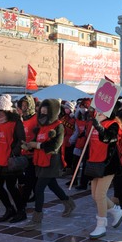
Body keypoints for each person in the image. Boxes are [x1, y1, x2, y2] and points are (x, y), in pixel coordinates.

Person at [23, 98, 76, 230]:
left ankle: (36, 219)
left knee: (39, 188)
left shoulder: (59, 126)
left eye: (46, 111)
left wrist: (38, 145)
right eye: (42, 111)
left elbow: (55, 146)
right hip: (40, 160)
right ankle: (68, 202)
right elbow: (35, 142)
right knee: (53, 185)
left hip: (51, 161)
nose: (43, 114)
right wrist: (29, 146)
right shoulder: (41, 126)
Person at [86, 108, 122, 238]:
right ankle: (116, 211)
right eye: (97, 110)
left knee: (100, 194)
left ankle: (101, 225)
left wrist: (98, 126)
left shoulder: (113, 124)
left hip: (108, 164)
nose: (99, 112)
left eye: (102, 110)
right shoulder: (94, 122)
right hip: (94, 162)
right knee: (94, 195)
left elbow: (109, 138)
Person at [0, 94, 27, 223]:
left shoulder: (15, 122)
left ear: (6, 110)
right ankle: (9, 209)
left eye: (0, 111)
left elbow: (21, 139)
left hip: (10, 158)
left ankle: (21, 211)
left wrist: (14, 152)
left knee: (12, 187)